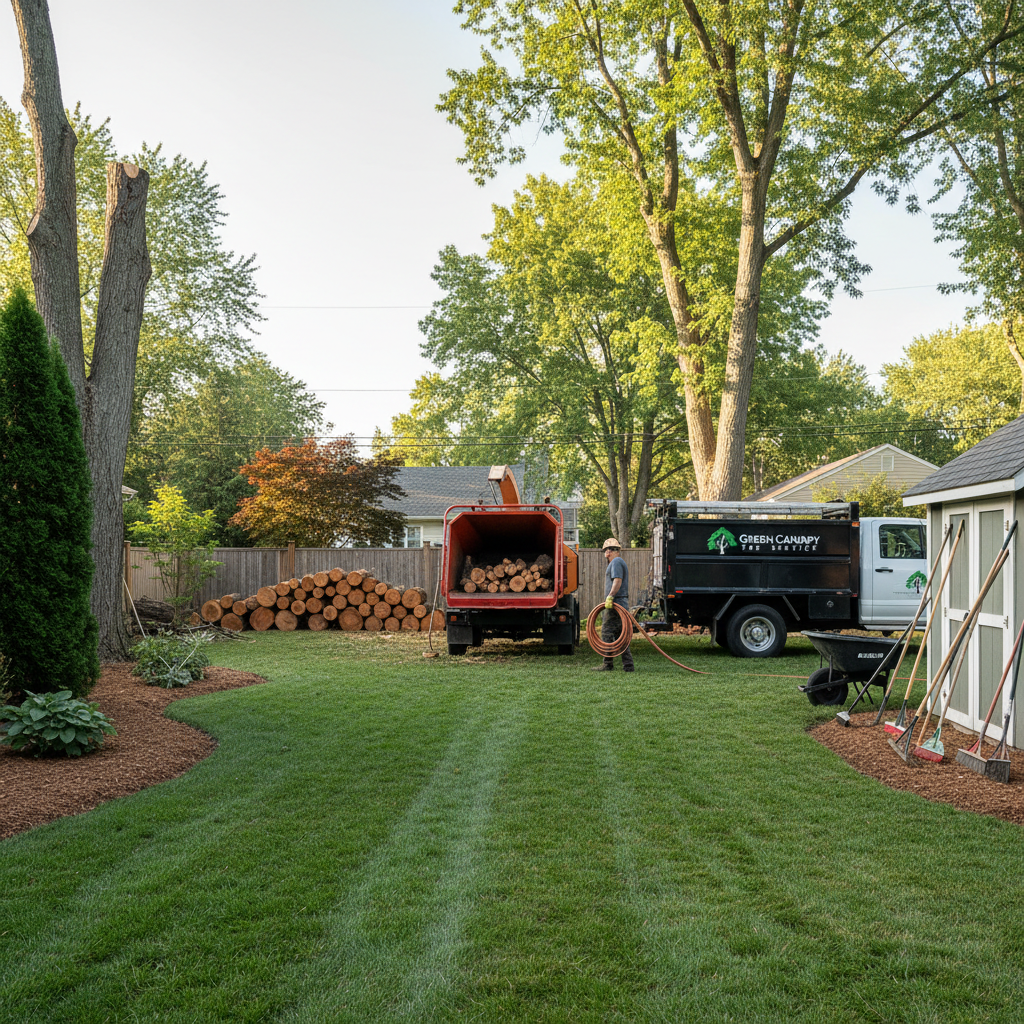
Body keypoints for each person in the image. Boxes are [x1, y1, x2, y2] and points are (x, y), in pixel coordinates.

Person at [592, 537, 634, 672]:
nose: (607, 553)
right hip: (620, 602)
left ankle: (607, 664)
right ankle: (628, 665)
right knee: (620, 634)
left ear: (610, 551)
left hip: (616, 603)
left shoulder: (616, 562)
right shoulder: (618, 562)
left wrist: (610, 596)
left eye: (608, 550)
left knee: (607, 632)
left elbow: (617, 580)